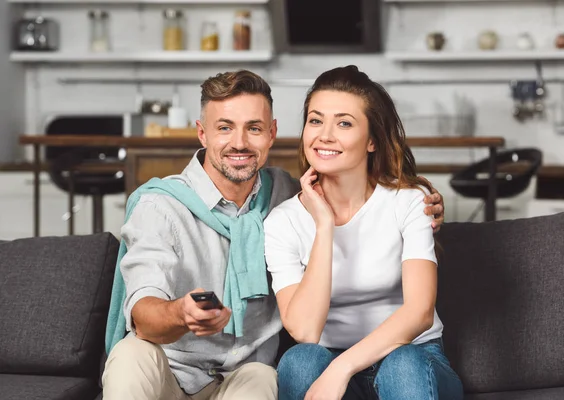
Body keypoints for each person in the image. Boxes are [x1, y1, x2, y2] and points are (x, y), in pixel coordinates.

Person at [101, 69, 447, 400]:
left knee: (395, 365)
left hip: (249, 372)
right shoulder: (164, 206)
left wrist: (421, 207)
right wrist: (180, 313)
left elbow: (360, 196)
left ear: (272, 133)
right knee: (134, 356)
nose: (239, 143)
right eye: (224, 127)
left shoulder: (281, 192)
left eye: (253, 128)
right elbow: (144, 313)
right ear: (202, 133)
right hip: (172, 369)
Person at [264, 65, 464, 400]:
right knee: (300, 361)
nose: (324, 135)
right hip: (328, 356)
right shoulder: (282, 222)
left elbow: (419, 313)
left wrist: (342, 369)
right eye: (316, 120)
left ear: (372, 140)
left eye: (344, 122)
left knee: (403, 365)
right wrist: (324, 226)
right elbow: (306, 330)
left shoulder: (408, 202)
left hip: (412, 360)